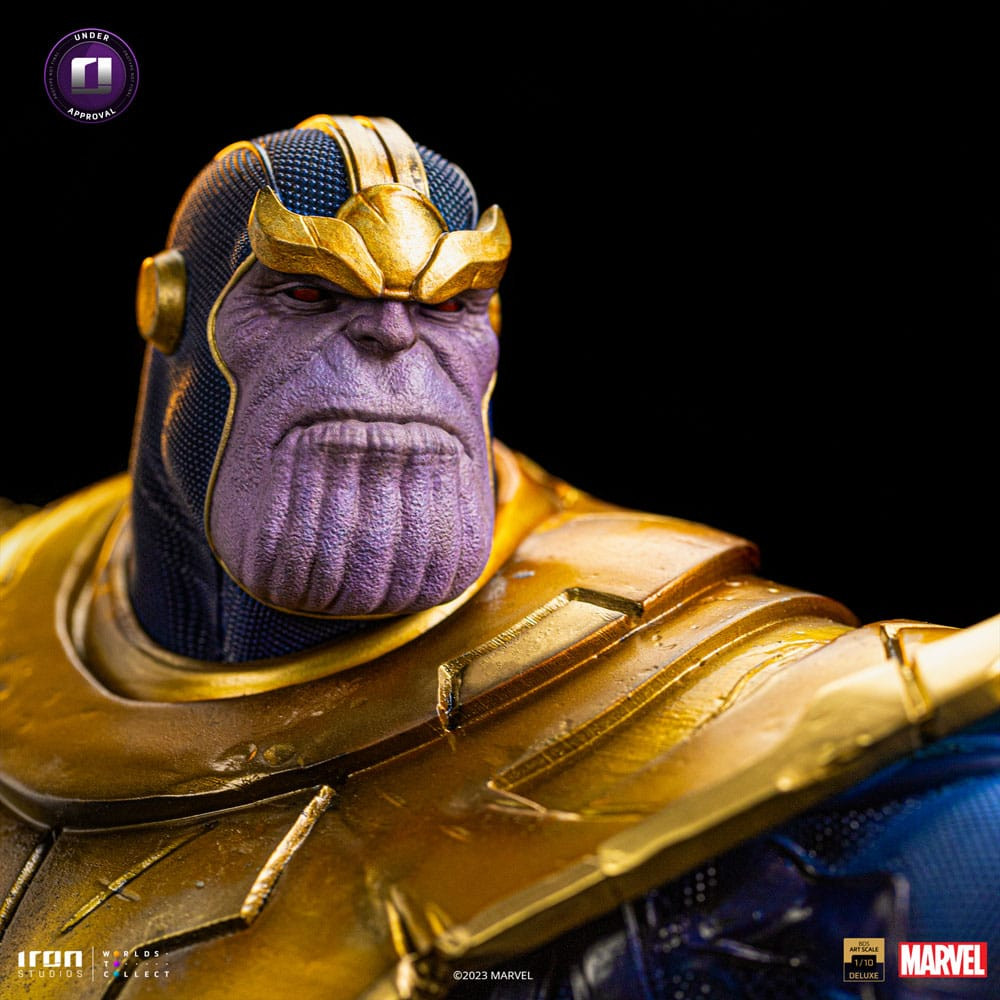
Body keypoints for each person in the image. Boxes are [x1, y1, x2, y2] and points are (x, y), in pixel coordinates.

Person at [1, 114, 996, 999]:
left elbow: (945, 907)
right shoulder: (21, 592)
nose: (391, 339)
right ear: (170, 311)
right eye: (308, 292)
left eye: (449, 304)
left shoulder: (713, 675)